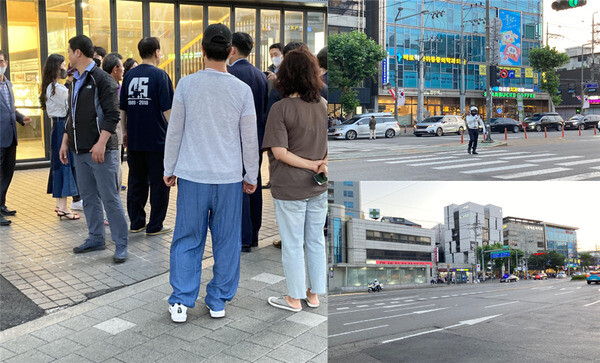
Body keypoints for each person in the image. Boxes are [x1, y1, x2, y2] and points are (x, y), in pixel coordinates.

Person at [164, 23, 259, 323]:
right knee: (227, 240)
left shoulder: (186, 85)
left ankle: (181, 300)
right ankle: (218, 299)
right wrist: (252, 176)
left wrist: (169, 169)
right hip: (229, 178)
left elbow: (174, 132)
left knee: (187, 238)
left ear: (202, 50)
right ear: (231, 51)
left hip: (192, 175)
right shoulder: (242, 90)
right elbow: (250, 138)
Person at [263, 48, 327, 313]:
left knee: (292, 243)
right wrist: (319, 164)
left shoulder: (281, 109)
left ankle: (293, 298)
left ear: (285, 75)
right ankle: (313, 295)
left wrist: (310, 163)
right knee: (315, 241)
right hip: (318, 185)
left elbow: (279, 153)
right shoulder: (323, 106)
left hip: (290, 187)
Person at [60, 35, 128, 263]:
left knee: (110, 198)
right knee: (89, 197)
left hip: (101, 150)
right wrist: (65, 141)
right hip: (80, 151)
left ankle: (121, 244)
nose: (68, 55)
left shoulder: (101, 79)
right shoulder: (74, 81)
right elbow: (72, 115)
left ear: (78, 52)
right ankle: (96, 237)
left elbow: (112, 115)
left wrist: (101, 142)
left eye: (69, 51)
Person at [120, 38, 174, 235]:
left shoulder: (129, 75)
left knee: (136, 181)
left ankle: (136, 222)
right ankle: (155, 225)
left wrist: (124, 132)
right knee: (159, 184)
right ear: (157, 52)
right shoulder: (160, 75)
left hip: (134, 139)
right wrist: (176, 135)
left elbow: (123, 109)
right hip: (157, 140)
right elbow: (168, 111)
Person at [227, 32, 268, 253]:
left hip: (235, 140)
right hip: (257, 139)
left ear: (232, 49)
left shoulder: (229, 74)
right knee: (255, 183)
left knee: (239, 186)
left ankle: (242, 237)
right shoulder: (260, 76)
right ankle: (253, 234)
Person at [40, 54, 80, 220]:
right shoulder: (57, 88)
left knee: (59, 164)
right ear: (56, 67)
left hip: (58, 126)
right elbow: (70, 105)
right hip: (62, 127)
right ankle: (63, 207)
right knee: (63, 163)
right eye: (63, 65)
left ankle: (60, 205)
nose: (65, 68)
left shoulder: (52, 87)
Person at [0, 50, 32, 226]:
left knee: (7, 172)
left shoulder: (9, 85)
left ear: (7, 63)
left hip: (11, 136)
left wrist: (21, 118)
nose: (1, 65)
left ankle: (1, 204)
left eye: (2, 61)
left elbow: (11, 108)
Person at [102, 53, 126, 191]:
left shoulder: (107, 85)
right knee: (114, 172)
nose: (123, 71)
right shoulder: (110, 88)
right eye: (122, 67)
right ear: (115, 69)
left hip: (112, 136)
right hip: (112, 136)